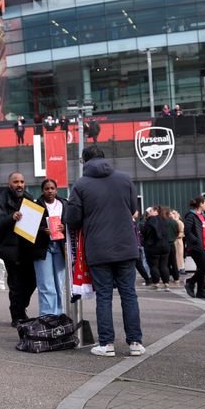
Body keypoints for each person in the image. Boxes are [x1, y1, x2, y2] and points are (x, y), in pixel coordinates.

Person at [64, 146, 144, 357]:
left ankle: (107, 344)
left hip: (99, 248)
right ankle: (135, 342)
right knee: (129, 295)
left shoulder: (81, 185)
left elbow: (72, 219)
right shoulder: (125, 179)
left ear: (84, 161)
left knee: (104, 297)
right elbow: (133, 208)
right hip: (126, 246)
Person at [0, 172, 37, 326]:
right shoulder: (1, 200)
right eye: (16, 182)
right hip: (10, 248)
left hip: (26, 248)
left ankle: (20, 308)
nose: (19, 185)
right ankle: (17, 315)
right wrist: (12, 217)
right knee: (16, 283)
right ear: (9, 184)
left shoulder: (29, 198)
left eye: (22, 181)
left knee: (32, 280)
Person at [33, 178, 66, 315]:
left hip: (60, 246)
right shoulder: (35, 205)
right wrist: (42, 230)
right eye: (47, 189)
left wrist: (64, 226)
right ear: (42, 191)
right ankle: (47, 316)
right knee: (46, 284)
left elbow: (72, 222)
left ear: (56, 190)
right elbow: (28, 226)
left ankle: (58, 315)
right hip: (42, 247)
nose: (50, 191)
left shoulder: (64, 204)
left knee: (59, 283)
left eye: (52, 188)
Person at [183, 197, 205, 300]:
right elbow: (187, 230)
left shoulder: (203, 216)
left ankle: (201, 291)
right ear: (200, 204)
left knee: (203, 268)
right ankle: (190, 282)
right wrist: (195, 241)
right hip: (196, 247)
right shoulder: (191, 216)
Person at [141, 205, 171, 291]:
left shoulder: (149, 221)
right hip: (165, 246)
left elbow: (144, 232)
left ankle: (156, 283)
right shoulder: (165, 220)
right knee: (164, 265)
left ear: (155, 211)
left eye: (150, 211)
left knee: (154, 266)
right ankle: (166, 284)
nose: (149, 213)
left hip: (153, 246)